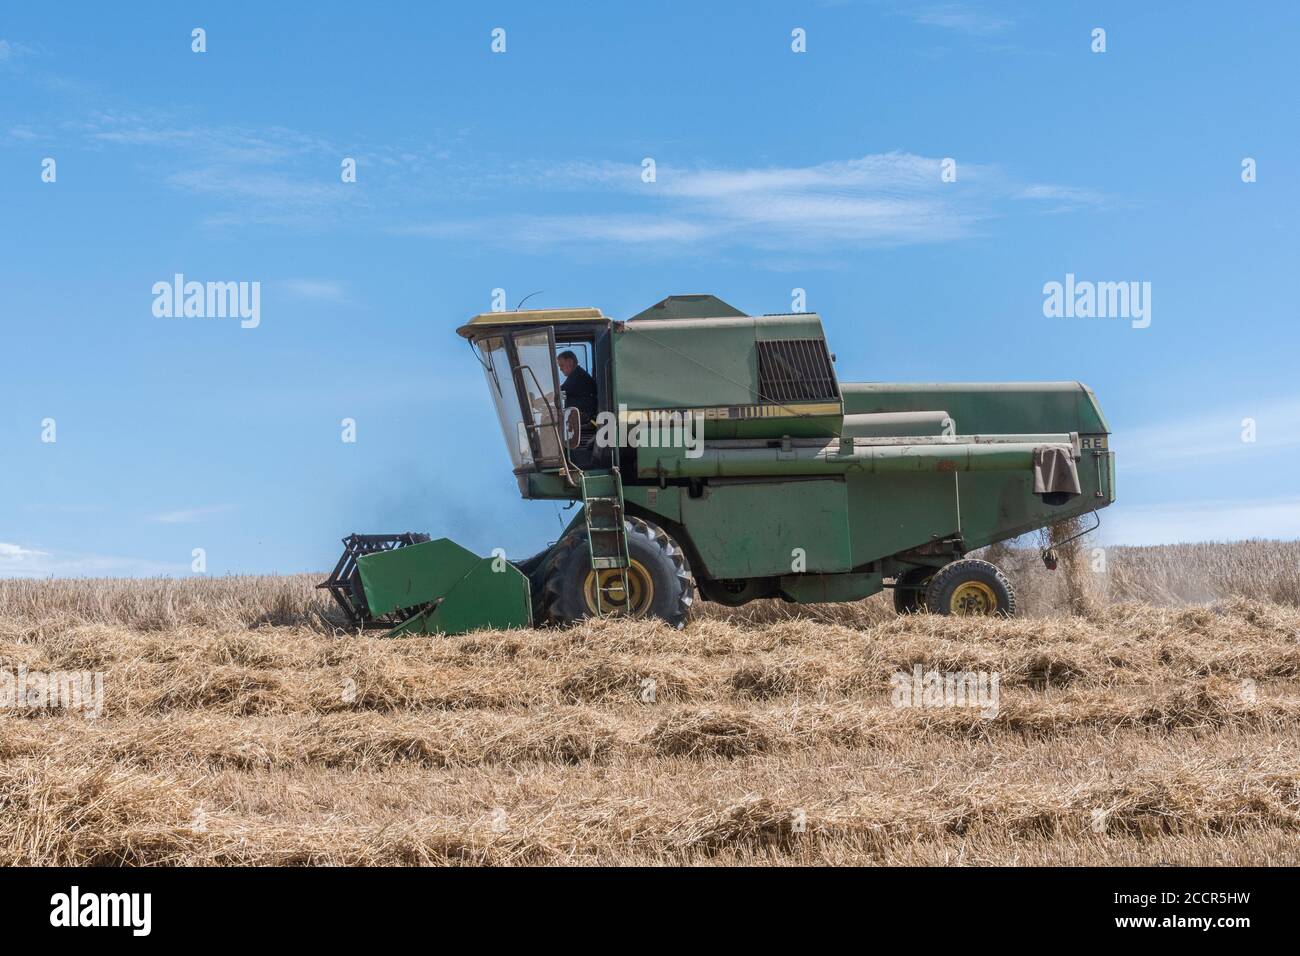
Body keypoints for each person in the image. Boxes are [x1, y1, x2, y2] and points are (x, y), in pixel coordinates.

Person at [556, 350, 598, 425]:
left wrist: (541, 400)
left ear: (570, 362)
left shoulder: (577, 376)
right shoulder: (576, 375)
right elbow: (562, 395)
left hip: (586, 418)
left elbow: (559, 392)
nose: (560, 369)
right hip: (583, 416)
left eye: (562, 365)